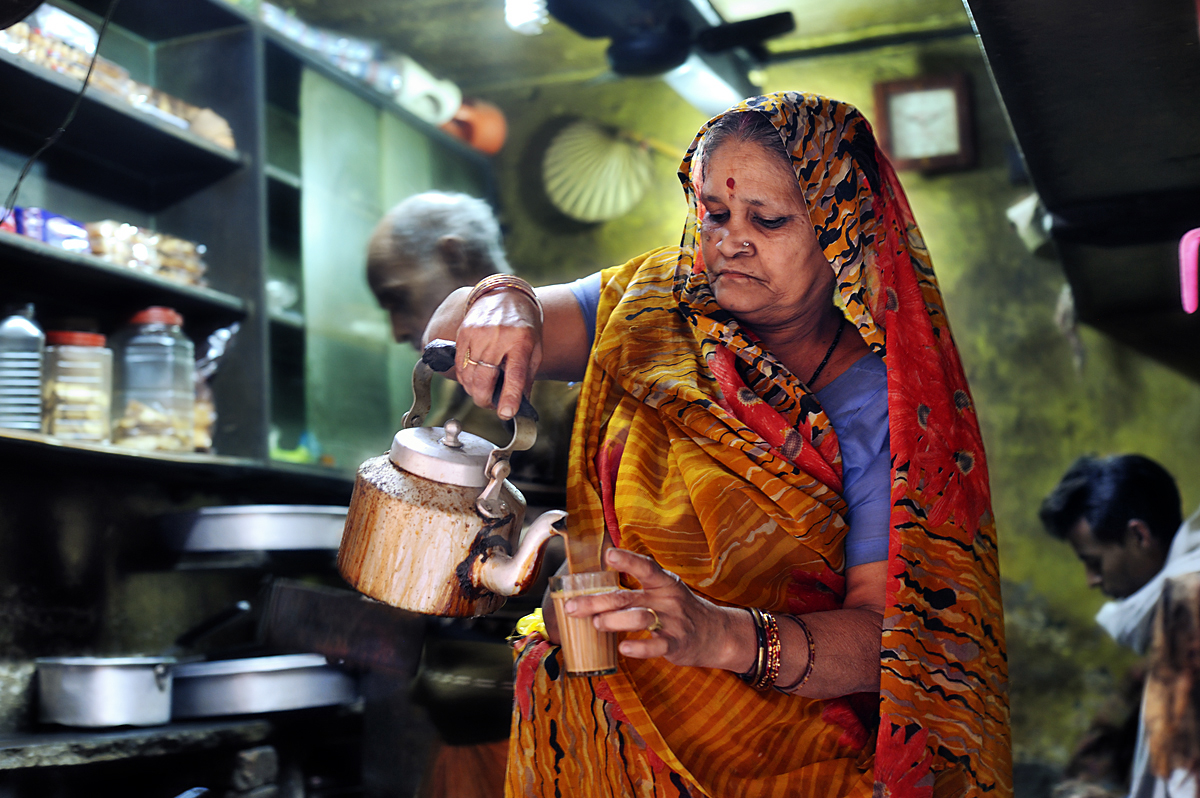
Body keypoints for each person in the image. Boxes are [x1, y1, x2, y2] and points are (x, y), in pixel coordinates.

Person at [425, 92, 1010, 797]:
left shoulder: (881, 412)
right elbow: (460, 327)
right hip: (609, 739)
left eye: (767, 219)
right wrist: (503, 302)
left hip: (789, 764)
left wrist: (724, 636)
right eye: (713, 213)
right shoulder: (651, 308)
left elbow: (898, 637)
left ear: (841, 234)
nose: (731, 240)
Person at [365, 191, 570, 798]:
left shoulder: (561, 386)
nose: (400, 327)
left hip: (551, 716)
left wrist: (500, 555)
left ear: (455, 259)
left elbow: (623, 550)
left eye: (399, 297)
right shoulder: (453, 402)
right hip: (469, 727)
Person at [1040, 454, 1200, 798]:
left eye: (1093, 562)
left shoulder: (1189, 599)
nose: (1091, 581)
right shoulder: (1163, 632)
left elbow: (1185, 778)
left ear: (1139, 536)